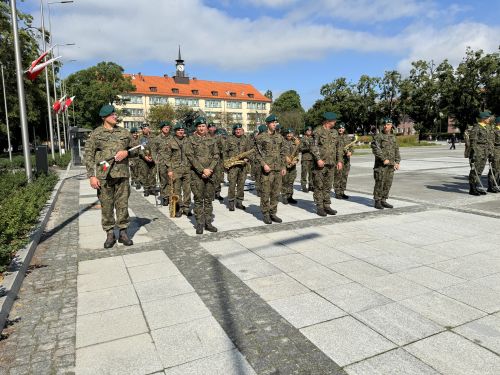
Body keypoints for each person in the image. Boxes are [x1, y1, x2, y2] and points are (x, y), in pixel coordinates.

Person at [84, 104, 135, 248]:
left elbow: (138, 149)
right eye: (113, 115)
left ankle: (123, 233)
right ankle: (110, 234)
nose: (115, 116)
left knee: (123, 204)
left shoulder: (124, 133)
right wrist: (91, 176)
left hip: (122, 174)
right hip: (104, 175)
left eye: (115, 114)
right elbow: (88, 155)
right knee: (106, 205)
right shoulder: (96, 134)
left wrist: (127, 153)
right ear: (104, 117)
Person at [185, 116, 219, 234]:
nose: (201, 128)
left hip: (210, 174)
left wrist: (209, 169)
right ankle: (199, 223)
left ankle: (208, 223)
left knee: (209, 200)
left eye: (203, 126)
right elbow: (190, 156)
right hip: (196, 175)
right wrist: (202, 170)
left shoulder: (212, 139)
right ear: (196, 128)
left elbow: (216, 155)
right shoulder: (190, 140)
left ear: (206, 127)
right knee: (199, 200)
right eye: (199, 126)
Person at [255, 114, 286, 224]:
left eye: (275, 123)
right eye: (272, 123)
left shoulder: (279, 137)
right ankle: (265, 213)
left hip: (277, 169)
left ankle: (273, 213)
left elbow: (283, 152)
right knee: (265, 192)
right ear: (267, 124)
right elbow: (257, 153)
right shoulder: (261, 137)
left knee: (276, 192)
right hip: (267, 170)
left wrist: (283, 166)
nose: (274, 124)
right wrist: (264, 164)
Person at [311, 112, 343, 216]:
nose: (335, 122)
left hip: (331, 163)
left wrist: (339, 160)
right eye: (333, 121)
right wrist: (318, 159)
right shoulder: (317, 131)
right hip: (321, 164)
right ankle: (319, 207)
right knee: (319, 185)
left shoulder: (335, 132)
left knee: (328, 186)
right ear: (327, 121)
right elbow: (313, 147)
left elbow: (339, 147)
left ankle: (327, 205)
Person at [162, 122, 192, 216]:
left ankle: (186, 207)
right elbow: (167, 157)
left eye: (182, 130)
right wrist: (170, 170)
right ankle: (179, 207)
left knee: (187, 189)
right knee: (177, 189)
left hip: (187, 169)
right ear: (175, 131)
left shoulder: (188, 140)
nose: (181, 132)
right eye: (179, 130)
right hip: (176, 169)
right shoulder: (171, 142)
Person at [371, 117, 400, 209]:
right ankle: (377, 201)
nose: (385, 126)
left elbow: (396, 150)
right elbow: (375, 149)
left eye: (387, 124)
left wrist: (397, 161)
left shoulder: (393, 137)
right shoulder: (378, 137)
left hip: (391, 165)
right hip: (381, 166)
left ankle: (384, 200)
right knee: (380, 182)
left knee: (388, 183)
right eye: (384, 124)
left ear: (391, 126)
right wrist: (383, 159)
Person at [225, 123, 253, 211]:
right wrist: (226, 163)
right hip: (233, 166)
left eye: (239, 129)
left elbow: (250, 152)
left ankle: (239, 202)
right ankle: (231, 203)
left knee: (241, 185)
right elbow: (225, 152)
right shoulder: (229, 139)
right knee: (232, 185)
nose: (238, 131)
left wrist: (247, 158)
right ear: (234, 130)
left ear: (242, 130)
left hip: (243, 166)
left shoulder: (246, 139)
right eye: (236, 129)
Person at [468, 111, 493, 195]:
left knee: (480, 170)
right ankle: (472, 188)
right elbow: (473, 142)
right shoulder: (476, 128)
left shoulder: (487, 127)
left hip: (485, 151)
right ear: (484, 118)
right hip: (478, 152)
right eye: (488, 117)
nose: (489, 119)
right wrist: (473, 154)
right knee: (475, 170)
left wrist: (490, 152)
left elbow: (489, 141)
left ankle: (476, 186)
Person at [153, 120, 173, 205]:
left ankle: (171, 196)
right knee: (163, 180)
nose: (166, 129)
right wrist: (155, 160)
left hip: (171, 162)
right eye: (165, 127)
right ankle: (165, 197)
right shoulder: (157, 139)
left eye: (168, 127)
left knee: (171, 180)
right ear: (161, 129)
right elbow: (153, 151)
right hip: (161, 162)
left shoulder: (172, 138)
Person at [334, 122, 353, 199]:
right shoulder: (335, 137)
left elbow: (351, 147)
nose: (341, 129)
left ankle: (342, 192)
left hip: (346, 160)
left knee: (344, 176)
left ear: (344, 129)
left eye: (342, 128)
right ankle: (337, 192)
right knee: (338, 176)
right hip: (338, 160)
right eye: (339, 128)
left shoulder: (347, 138)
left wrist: (350, 152)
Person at [281, 128, 300, 204]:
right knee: (285, 181)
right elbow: (280, 152)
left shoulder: (295, 143)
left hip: (292, 165)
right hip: (284, 165)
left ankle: (290, 196)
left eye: (290, 133)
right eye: (287, 133)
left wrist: (295, 161)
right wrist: (286, 158)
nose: (289, 135)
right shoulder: (282, 142)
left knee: (291, 181)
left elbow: (297, 154)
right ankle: (284, 196)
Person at [138, 123, 157, 197]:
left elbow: (156, 148)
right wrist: (144, 156)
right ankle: (146, 189)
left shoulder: (154, 137)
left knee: (153, 174)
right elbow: (139, 149)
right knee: (144, 175)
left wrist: (153, 156)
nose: (144, 130)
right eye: (142, 129)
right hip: (143, 159)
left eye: (145, 128)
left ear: (148, 128)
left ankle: (152, 188)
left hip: (153, 159)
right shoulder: (140, 138)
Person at [208, 122, 225, 201]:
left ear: (215, 128)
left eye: (213, 127)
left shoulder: (219, 137)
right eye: (210, 127)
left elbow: (224, 147)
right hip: (208, 160)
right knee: (210, 176)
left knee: (218, 176)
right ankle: (210, 193)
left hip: (218, 160)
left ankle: (217, 193)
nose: (212, 129)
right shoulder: (205, 137)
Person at [300, 125, 314, 192]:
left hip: (312, 158)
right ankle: (303, 186)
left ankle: (311, 185)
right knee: (304, 173)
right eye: (308, 130)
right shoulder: (303, 139)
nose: (309, 131)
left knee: (311, 173)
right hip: (305, 158)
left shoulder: (313, 138)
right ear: (305, 131)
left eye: (310, 130)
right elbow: (300, 148)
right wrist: (308, 148)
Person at [489, 116, 500, 192]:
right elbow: (491, 143)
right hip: (496, 151)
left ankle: (497, 184)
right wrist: (491, 153)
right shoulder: (494, 131)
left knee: (499, 169)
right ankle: (491, 186)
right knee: (494, 168)